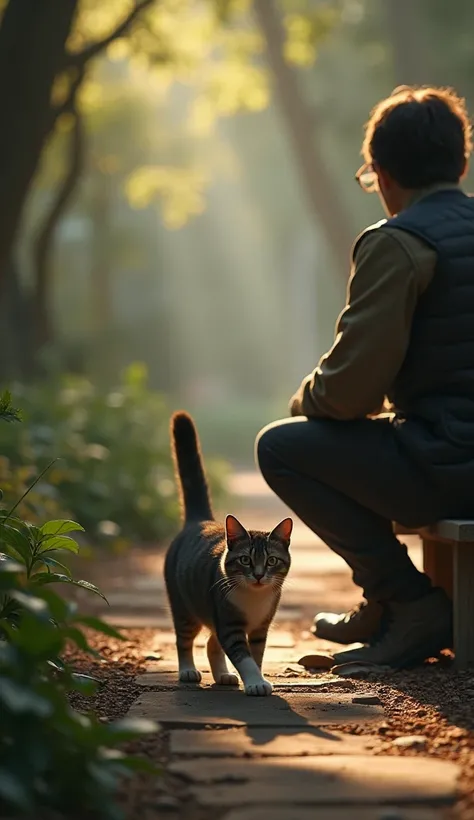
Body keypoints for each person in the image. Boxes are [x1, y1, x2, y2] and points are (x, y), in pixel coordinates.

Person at [256, 85, 474, 669]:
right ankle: (383, 603)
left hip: (448, 464)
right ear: (462, 162)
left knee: (283, 446)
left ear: (380, 173)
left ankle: (408, 601)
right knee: (372, 439)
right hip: (453, 454)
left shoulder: (401, 243)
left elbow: (348, 393)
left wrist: (306, 400)